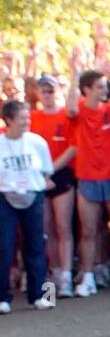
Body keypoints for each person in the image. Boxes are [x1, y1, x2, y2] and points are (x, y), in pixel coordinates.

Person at [65, 66, 110, 296]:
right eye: (99, 87)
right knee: (88, 230)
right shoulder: (79, 111)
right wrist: (74, 75)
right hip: (87, 178)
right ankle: (87, 278)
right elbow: (69, 109)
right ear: (87, 90)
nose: (104, 90)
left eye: (105, 86)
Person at [0, 100, 57, 313]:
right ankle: (3, 298)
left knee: (35, 245)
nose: (27, 121)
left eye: (28, 117)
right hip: (5, 198)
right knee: (4, 246)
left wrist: (32, 186)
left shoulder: (37, 142)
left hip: (33, 197)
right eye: (23, 118)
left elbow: (46, 171)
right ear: (9, 120)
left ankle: (39, 295)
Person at [28, 75, 77, 297]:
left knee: (63, 226)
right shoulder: (31, 117)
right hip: (37, 176)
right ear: (38, 94)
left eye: (51, 90)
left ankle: (66, 275)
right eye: (44, 91)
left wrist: (51, 168)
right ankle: (54, 272)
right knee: (46, 228)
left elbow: (73, 147)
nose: (48, 95)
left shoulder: (66, 115)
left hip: (60, 173)